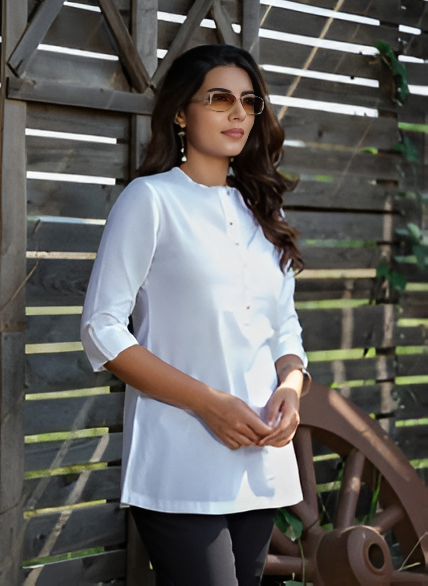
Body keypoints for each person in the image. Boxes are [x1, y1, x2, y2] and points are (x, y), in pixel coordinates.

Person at [81, 44, 311, 586]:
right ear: (182, 113)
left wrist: (291, 388)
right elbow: (101, 329)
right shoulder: (150, 199)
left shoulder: (264, 210)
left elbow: (285, 328)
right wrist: (209, 404)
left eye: (249, 102)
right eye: (220, 99)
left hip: (260, 459)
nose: (239, 113)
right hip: (179, 459)